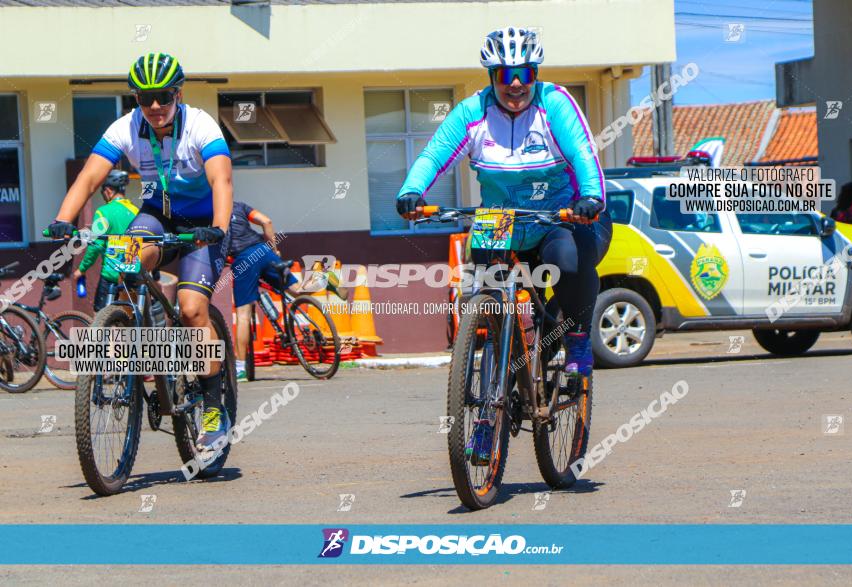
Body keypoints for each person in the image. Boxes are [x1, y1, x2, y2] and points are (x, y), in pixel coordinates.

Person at [395, 27, 611, 464]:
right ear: (492, 75)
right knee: (486, 302)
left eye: (525, 72)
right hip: (502, 221)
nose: (516, 83)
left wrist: (590, 198)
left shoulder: (555, 105)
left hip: (564, 215)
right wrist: (411, 191)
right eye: (505, 74)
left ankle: (577, 341)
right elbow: (434, 154)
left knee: (567, 261)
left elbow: (586, 156)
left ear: (536, 73)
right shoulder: (472, 112)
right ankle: (486, 412)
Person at [47, 53, 234, 450]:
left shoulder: (201, 125)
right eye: (144, 98)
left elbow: (222, 180)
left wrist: (217, 228)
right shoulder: (126, 128)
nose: (153, 107)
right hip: (156, 216)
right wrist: (64, 219)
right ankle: (133, 333)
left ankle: (215, 409)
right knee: (130, 263)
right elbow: (90, 175)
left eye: (163, 97)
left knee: (190, 308)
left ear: (178, 94)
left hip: (202, 224)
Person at [227, 200, 348, 380]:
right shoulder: (239, 206)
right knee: (296, 290)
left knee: (243, 315)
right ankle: (324, 279)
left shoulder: (207, 213)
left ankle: (240, 368)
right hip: (262, 251)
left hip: (243, 259)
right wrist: (274, 250)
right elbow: (266, 221)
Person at [73, 170, 139, 312]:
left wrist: (82, 269)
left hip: (111, 274)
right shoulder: (136, 211)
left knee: (101, 317)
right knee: (129, 315)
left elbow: (96, 245)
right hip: (132, 273)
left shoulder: (103, 212)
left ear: (108, 190)